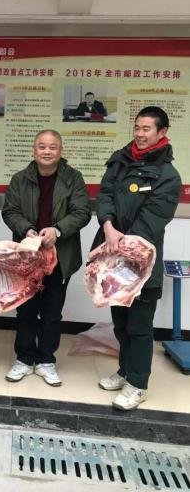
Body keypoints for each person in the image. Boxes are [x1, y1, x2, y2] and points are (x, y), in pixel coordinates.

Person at [94, 106, 181, 411]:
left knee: (140, 327)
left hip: (142, 262)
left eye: (147, 129)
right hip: (112, 255)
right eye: (137, 127)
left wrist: (121, 240)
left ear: (161, 132)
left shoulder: (168, 176)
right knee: (120, 321)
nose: (140, 134)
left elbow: (153, 219)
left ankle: (138, 384)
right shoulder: (120, 159)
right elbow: (105, 194)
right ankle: (124, 371)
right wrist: (107, 225)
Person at [2, 130, 91, 386]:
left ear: (61, 151)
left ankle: (46, 360)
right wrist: (26, 230)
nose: (47, 151)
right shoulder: (20, 179)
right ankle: (24, 358)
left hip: (61, 256)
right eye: (42, 146)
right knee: (26, 310)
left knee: (52, 312)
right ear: (34, 150)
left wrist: (57, 230)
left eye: (53, 147)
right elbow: (10, 211)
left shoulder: (73, 178)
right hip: (27, 257)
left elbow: (82, 211)